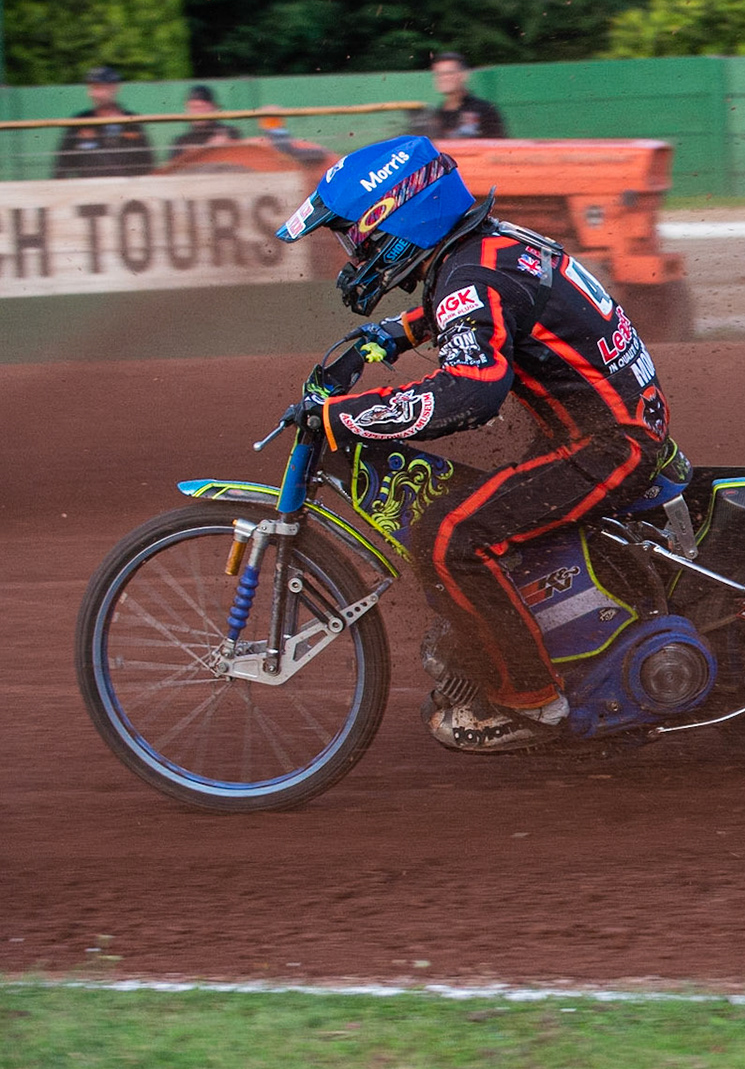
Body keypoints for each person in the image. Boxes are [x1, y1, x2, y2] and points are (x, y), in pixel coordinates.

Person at [275, 135, 673, 752]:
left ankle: (529, 700)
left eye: (354, 236)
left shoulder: (469, 274)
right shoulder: (483, 247)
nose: (352, 255)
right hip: (605, 427)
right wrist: (390, 334)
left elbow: (470, 394)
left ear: (397, 216)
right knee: (483, 511)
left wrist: (345, 416)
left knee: (449, 538)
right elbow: (475, 307)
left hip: (609, 445)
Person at [52, 66, 155, 179]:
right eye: (92, 88)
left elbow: (147, 162)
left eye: (99, 88)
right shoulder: (80, 121)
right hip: (89, 191)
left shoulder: (132, 120)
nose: (93, 94)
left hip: (127, 190)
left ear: (114, 88)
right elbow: (61, 165)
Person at [427, 52, 508, 139]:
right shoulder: (435, 116)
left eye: (449, 73)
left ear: (464, 75)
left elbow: (499, 147)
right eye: (439, 74)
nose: (443, 78)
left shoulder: (484, 110)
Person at [168, 84, 242, 161]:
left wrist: (229, 143)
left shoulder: (229, 132)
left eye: (202, 107)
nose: (197, 112)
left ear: (213, 108)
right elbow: (174, 168)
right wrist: (206, 149)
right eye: (193, 107)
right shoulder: (181, 141)